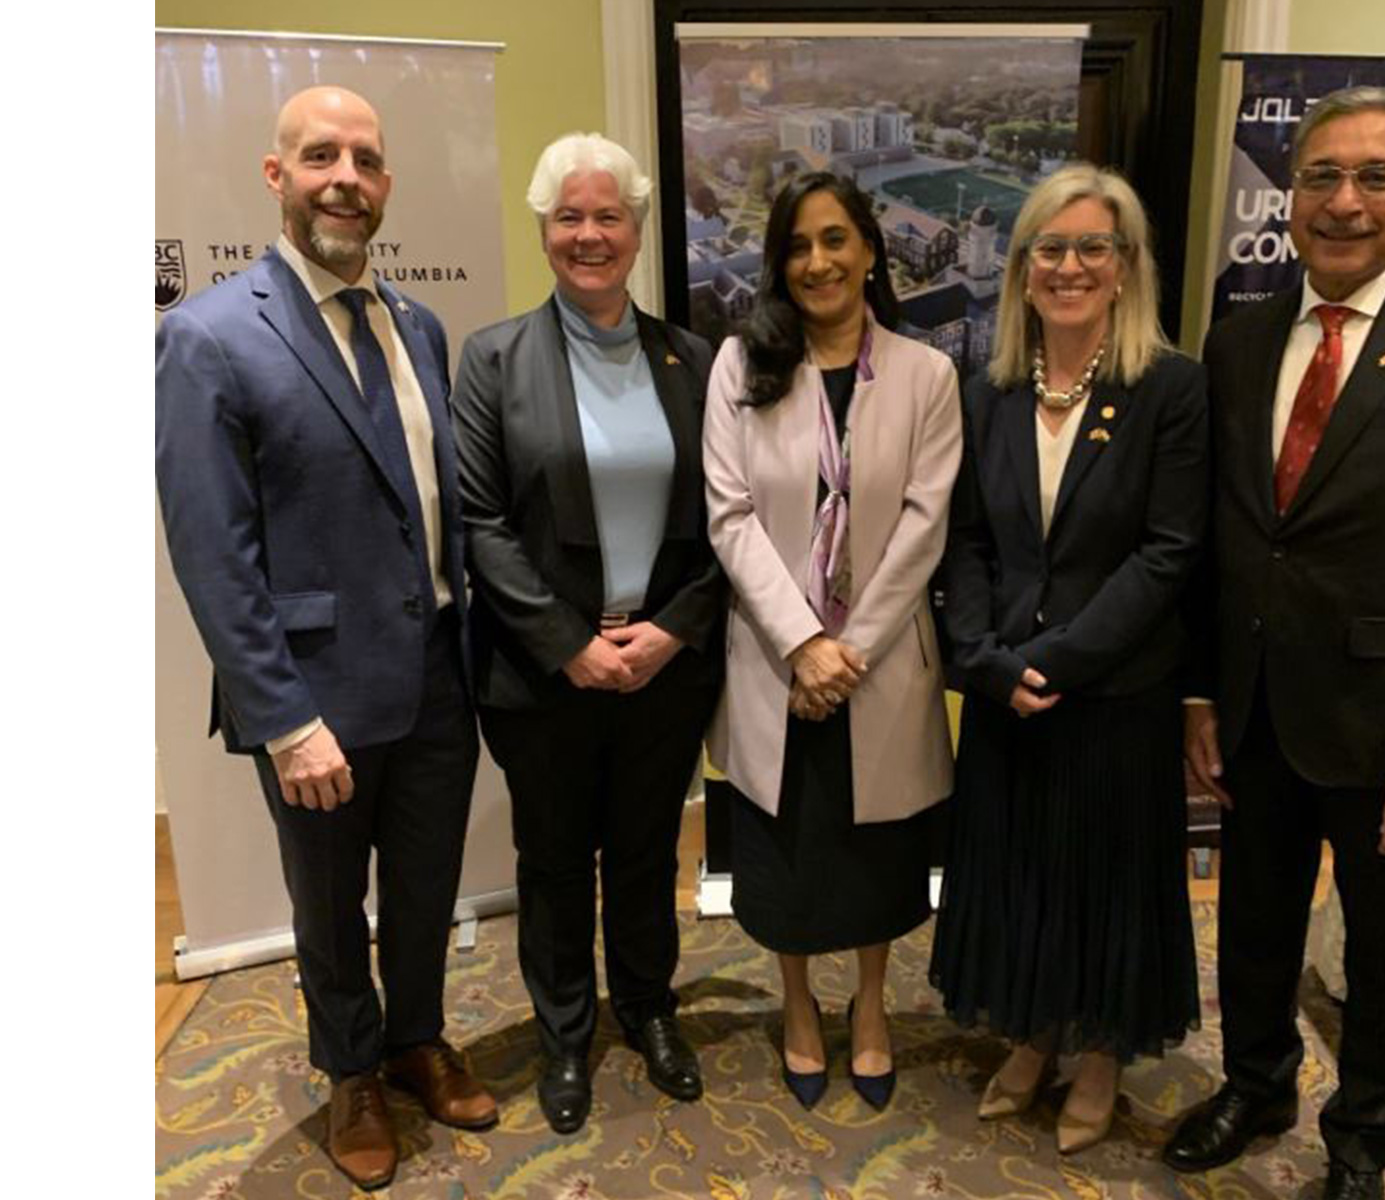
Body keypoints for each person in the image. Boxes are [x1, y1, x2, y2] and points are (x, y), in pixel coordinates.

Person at [155, 86, 495, 1191]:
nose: (345, 175)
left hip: (438, 672)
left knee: (427, 885)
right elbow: (213, 553)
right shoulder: (206, 336)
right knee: (328, 905)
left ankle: (414, 1041)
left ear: (386, 184)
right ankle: (350, 1071)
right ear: (276, 177)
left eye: (365, 158)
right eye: (320, 156)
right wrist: (284, 719)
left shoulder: (418, 325)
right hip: (313, 698)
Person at [1161, 87, 1385, 1200]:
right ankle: (1258, 1083)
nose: (1342, 201)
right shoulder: (1237, 342)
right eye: (1320, 175)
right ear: (1288, 193)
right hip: (1256, 701)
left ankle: (1362, 1143)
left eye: (1373, 177)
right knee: (1255, 915)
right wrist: (1197, 697)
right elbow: (1218, 540)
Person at [926, 164, 1206, 1154]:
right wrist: (983, 659)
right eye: (1050, 247)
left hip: (1113, 693)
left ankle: (1094, 1059)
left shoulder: (1169, 388)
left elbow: (1168, 551)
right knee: (1021, 874)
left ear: (1126, 268)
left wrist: (1057, 659)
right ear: (1022, 267)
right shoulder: (987, 387)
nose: (1070, 265)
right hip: (1006, 690)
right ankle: (1032, 1036)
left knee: (1100, 885)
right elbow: (962, 542)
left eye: (1093, 247)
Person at [450, 133, 724, 1137]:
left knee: (648, 850)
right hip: (542, 672)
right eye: (570, 216)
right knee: (555, 857)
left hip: (664, 666)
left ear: (639, 231)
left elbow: (723, 520)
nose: (590, 234)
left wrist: (669, 633)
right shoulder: (492, 359)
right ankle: (565, 1030)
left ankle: (649, 1009)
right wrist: (571, 643)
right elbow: (478, 522)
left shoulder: (692, 360)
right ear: (543, 230)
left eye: (608, 216)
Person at [702, 172, 961, 1112]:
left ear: (870, 252)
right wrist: (805, 643)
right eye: (799, 246)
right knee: (789, 848)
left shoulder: (927, 373)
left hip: (878, 664)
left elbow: (924, 526)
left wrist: (846, 652)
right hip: (779, 663)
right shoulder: (742, 366)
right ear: (780, 263)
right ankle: (801, 1005)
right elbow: (729, 519)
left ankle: (871, 1003)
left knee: (876, 849)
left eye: (837, 240)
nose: (819, 262)